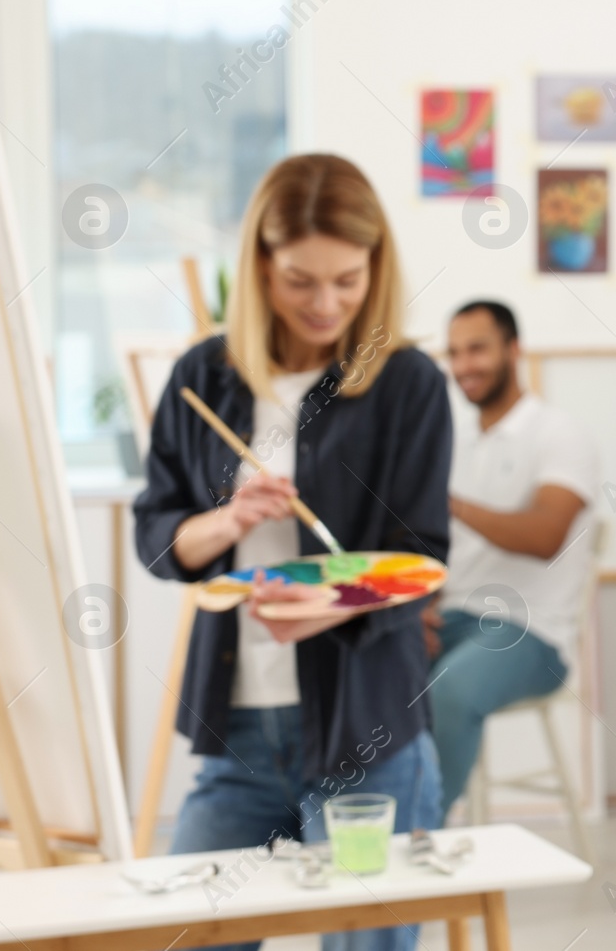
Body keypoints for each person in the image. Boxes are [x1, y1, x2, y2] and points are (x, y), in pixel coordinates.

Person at [134, 154, 452, 951]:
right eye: (300, 280)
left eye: (348, 279)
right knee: (185, 936)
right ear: (259, 266)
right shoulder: (201, 376)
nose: (326, 302)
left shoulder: (407, 382)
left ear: (375, 268)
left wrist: (324, 606)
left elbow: (420, 557)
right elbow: (158, 537)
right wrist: (228, 519)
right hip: (240, 730)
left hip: (368, 729)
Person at [423, 299, 598, 814]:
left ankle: (417, 831)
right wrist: (417, 609)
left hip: (532, 633)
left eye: (477, 349)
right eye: (454, 353)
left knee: (449, 691)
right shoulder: (456, 442)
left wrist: (447, 501)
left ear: (513, 350)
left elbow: (546, 535)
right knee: (367, 669)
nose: (464, 366)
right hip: (454, 620)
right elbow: (437, 547)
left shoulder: (559, 434)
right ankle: (349, 823)